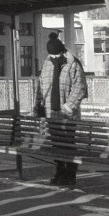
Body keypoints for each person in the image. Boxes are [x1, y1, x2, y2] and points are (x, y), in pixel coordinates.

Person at [32, 32, 88, 186]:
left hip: (67, 115)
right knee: (56, 145)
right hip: (51, 113)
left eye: (57, 55)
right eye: (52, 56)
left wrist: (68, 107)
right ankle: (59, 173)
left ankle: (70, 174)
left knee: (68, 144)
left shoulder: (73, 63)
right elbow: (41, 87)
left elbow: (80, 87)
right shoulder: (47, 64)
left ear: (62, 51)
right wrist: (37, 106)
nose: (55, 58)